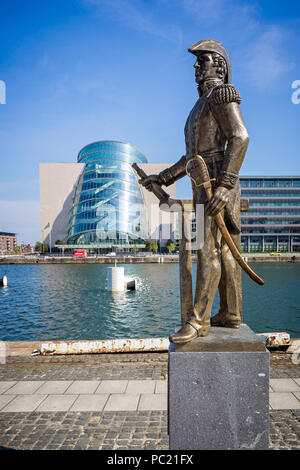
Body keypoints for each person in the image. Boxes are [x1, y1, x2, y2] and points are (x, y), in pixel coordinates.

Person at [141, 39, 249, 343]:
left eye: (202, 61)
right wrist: (162, 178)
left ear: (219, 65)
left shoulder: (221, 96)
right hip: (204, 179)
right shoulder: (200, 104)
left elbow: (240, 137)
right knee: (226, 250)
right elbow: (190, 156)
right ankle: (230, 313)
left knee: (207, 248)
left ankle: (199, 321)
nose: (196, 66)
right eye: (197, 62)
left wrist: (226, 185)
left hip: (216, 182)